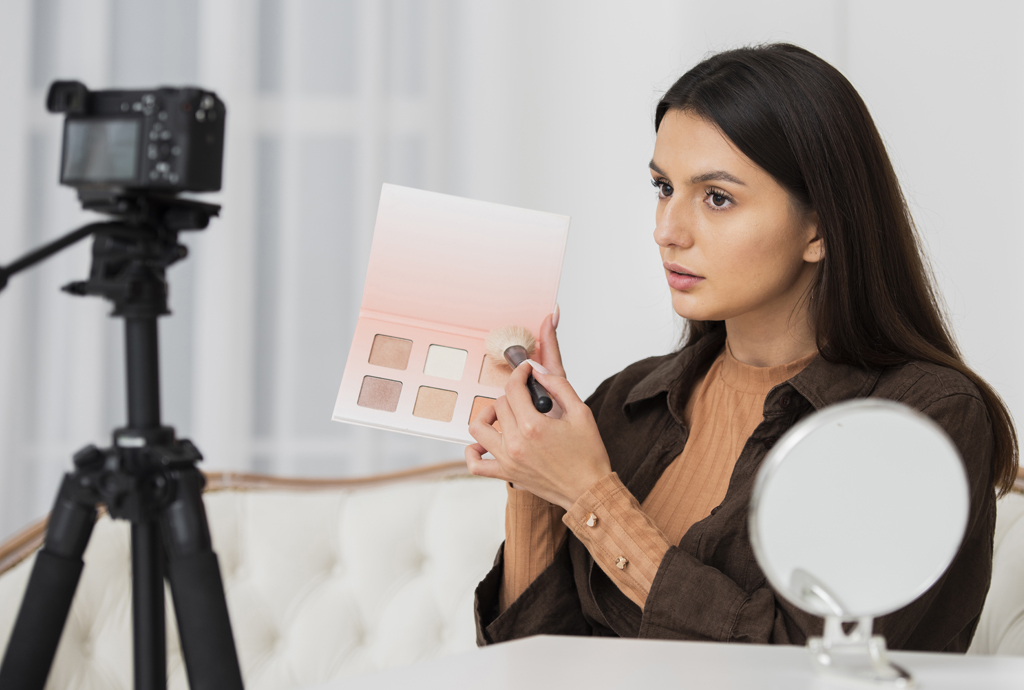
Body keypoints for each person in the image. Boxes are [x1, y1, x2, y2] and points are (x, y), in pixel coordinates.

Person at [465, 43, 1018, 652]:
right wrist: (532, 476)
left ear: (820, 228)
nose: (666, 230)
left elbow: (805, 664)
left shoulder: (926, 418)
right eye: (663, 187)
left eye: (717, 197)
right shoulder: (626, 402)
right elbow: (535, 663)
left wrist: (590, 497)